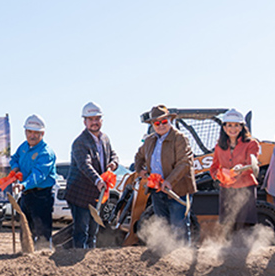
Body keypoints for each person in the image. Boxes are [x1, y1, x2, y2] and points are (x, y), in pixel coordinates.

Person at [134, 105, 197, 243]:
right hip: (157, 190)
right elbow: (138, 157)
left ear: (169, 120)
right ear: (152, 124)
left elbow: (185, 163)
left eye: (164, 121)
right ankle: (167, 260)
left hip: (178, 190)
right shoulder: (149, 141)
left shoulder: (180, 138)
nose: (161, 125)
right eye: (157, 123)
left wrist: (170, 181)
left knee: (178, 226)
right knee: (163, 227)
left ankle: (182, 258)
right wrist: (141, 170)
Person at [65, 102, 119, 249]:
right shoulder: (79, 142)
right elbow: (84, 165)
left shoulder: (105, 139)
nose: (94, 122)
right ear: (85, 122)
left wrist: (114, 163)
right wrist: (98, 180)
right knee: (82, 231)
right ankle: (78, 258)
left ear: (101, 120)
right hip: (80, 194)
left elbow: (113, 154)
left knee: (93, 232)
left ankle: (89, 261)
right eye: (90, 119)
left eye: (97, 119)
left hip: (97, 194)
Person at [9, 114, 57, 247]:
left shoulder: (46, 152)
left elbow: (38, 175)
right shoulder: (23, 147)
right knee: (26, 231)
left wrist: (23, 185)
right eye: (29, 132)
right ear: (25, 132)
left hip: (41, 196)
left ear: (42, 133)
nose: (32, 135)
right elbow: (14, 159)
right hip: (26, 195)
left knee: (42, 233)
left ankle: (43, 259)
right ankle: (26, 260)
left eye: (36, 133)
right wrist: (16, 168)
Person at [209, 108, 260, 233]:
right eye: (229, 125)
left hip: (245, 187)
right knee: (228, 224)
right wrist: (220, 175)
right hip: (227, 189)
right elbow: (214, 168)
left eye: (236, 125)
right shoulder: (218, 147)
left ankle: (246, 250)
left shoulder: (252, 144)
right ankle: (230, 251)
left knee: (245, 224)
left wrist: (239, 169)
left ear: (242, 127)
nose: (233, 128)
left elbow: (251, 164)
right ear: (224, 128)